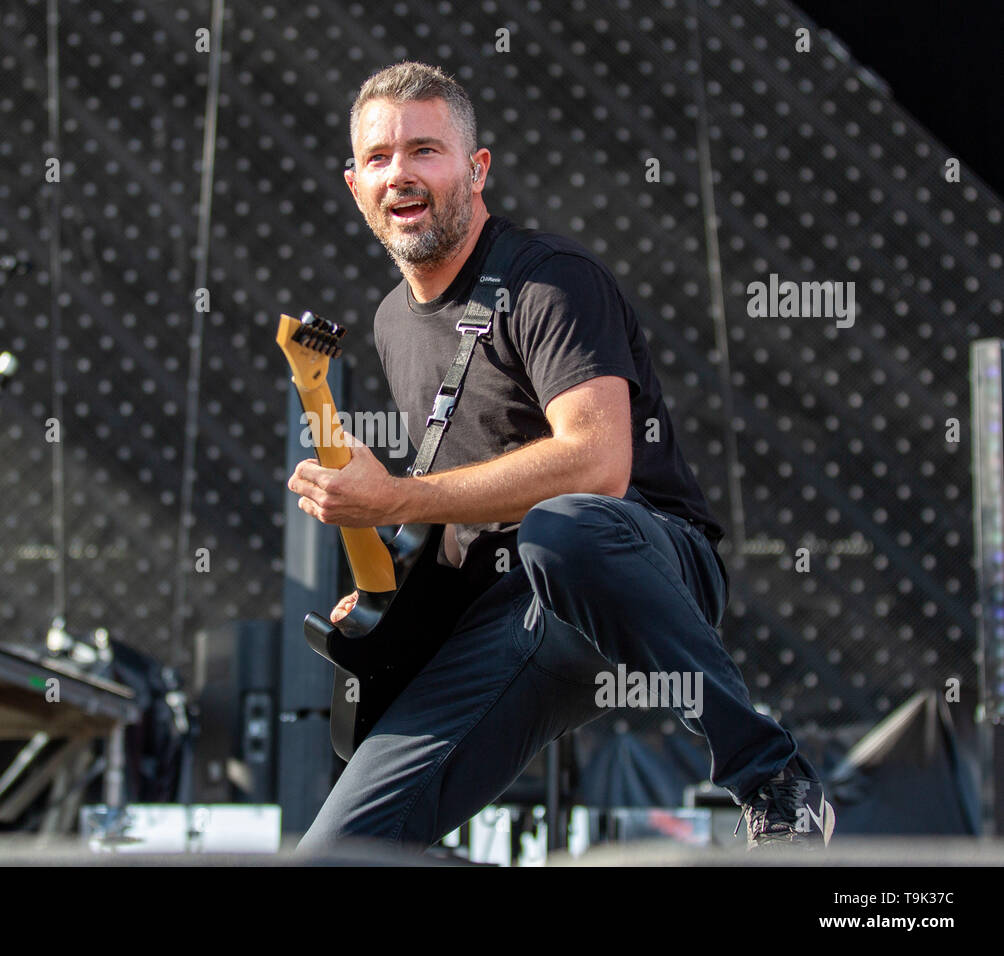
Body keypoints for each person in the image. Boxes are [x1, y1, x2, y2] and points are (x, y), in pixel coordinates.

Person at [286, 61, 835, 853]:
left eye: (424, 150)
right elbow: (457, 500)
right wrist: (392, 593)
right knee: (341, 855)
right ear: (354, 185)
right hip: (503, 616)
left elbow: (597, 467)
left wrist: (396, 499)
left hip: (635, 558)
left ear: (476, 171)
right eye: (378, 158)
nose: (400, 173)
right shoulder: (389, 322)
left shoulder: (550, 280)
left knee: (562, 531)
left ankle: (773, 776)